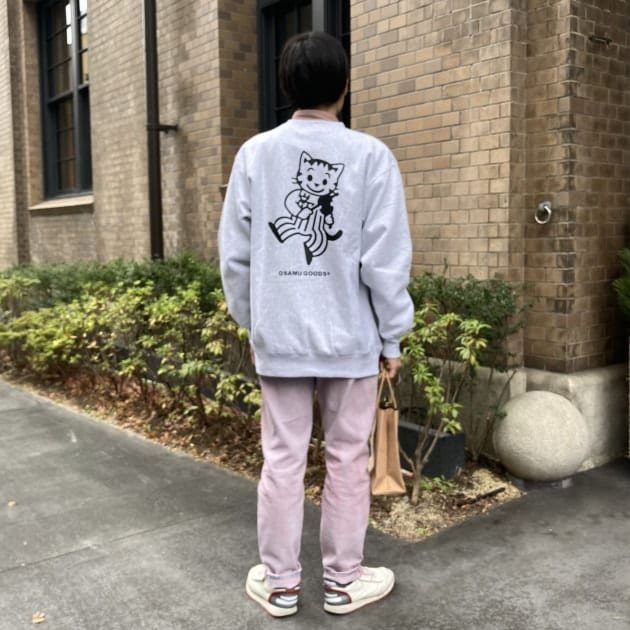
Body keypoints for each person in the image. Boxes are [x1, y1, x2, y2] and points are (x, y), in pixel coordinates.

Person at [218, 31, 414, 617]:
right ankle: (343, 581)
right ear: (344, 86)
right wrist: (391, 335)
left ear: (285, 86)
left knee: (281, 459)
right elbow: (385, 261)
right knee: (347, 458)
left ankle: (280, 584)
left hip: (281, 338)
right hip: (350, 340)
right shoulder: (372, 157)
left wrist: (257, 322)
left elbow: (235, 258)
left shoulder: (255, 155)